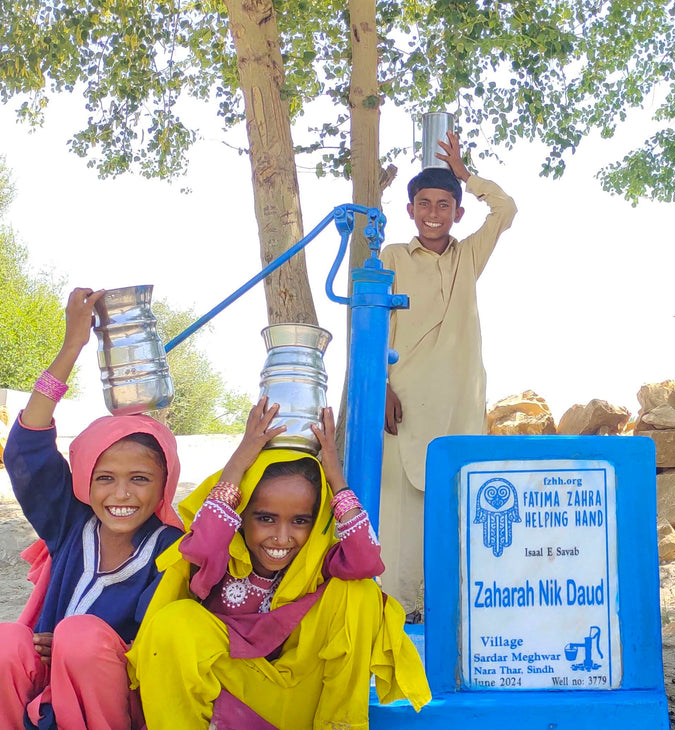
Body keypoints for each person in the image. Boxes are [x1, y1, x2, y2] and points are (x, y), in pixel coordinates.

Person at [127, 398, 430, 729]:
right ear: (241, 517)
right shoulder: (225, 556)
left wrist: (336, 480)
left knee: (359, 594)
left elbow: (366, 561)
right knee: (173, 621)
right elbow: (201, 549)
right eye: (266, 518)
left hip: (298, 699)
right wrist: (239, 463)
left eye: (300, 521)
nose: (282, 537)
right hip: (229, 697)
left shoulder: (314, 562)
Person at [0, 287, 185, 730]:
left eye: (139, 480)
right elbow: (26, 447)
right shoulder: (71, 522)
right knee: (7, 640)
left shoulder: (172, 549)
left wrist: (74, 642)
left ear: (164, 485)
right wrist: (71, 348)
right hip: (49, 687)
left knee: (79, 637)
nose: (121, 494)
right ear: (85, 481)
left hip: (119, 701)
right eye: (105, 479)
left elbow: (159, 645)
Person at [378, 130, 517, 613]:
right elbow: (375, 325)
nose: (433, 213)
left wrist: (466, 175)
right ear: (411, 209)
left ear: (457, 213)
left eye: (444, 204)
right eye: (424, 203)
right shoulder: (391, 256)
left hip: (458, 397)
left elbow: (506, 209)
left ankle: (449, 606)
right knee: (399, 510)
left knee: (455, 498)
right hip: (404, 398)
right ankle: (397, 608)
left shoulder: (468, 256)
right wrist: (381, 387)